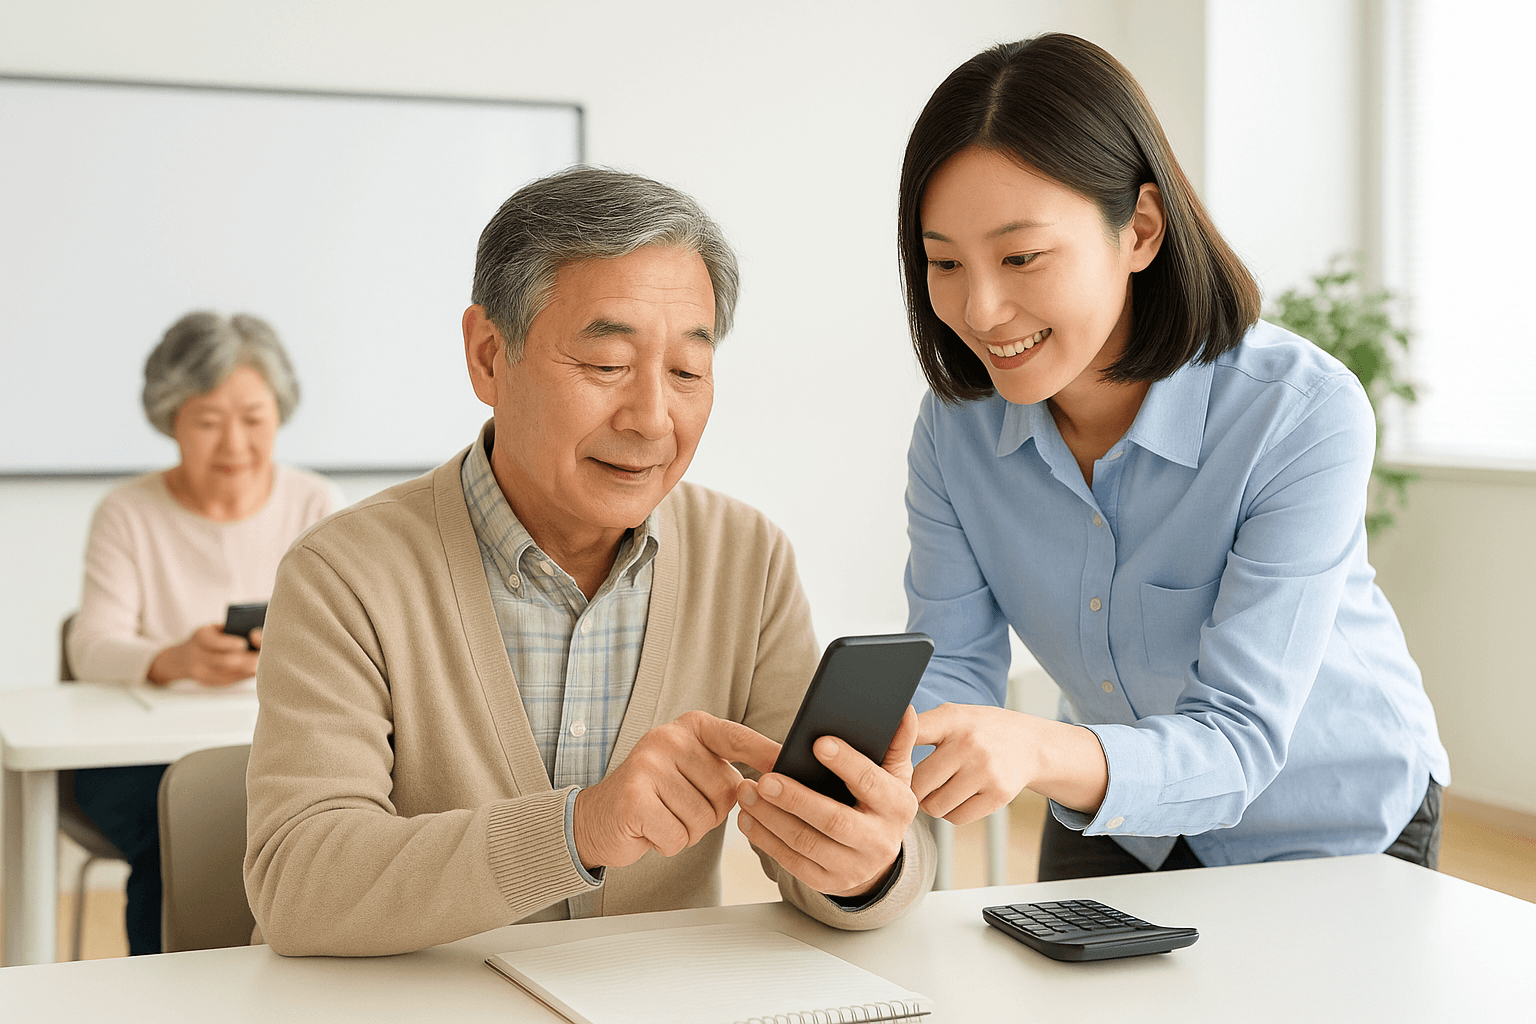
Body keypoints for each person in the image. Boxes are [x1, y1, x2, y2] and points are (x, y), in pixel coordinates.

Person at [244, 167, 934, 957]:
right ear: (487, 356)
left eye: (687, 373)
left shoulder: (746, 558)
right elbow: (299, 887)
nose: (651, 419)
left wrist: (865, 864)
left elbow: (825, 850)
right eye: (606, 367)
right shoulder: (344, 575)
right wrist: (581, 828)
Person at [898, 35, 1449, 881]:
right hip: (1119, 813)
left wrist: (1035, 749)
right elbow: (955, 668)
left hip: (1332, 821)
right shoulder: (954, 431)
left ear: (1141, 231)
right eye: (944, 263)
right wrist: (868, 774)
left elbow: (1239, 738)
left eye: (1021, 256)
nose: (979, 309)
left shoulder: (1298, 413)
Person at [67, 310, 339, 954]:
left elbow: (354, 635)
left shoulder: (314, 503)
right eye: (209, 423)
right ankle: (159, 996)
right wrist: (172, 658)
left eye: (253, 419)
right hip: (136, 756)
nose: (234, 445)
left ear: (280, 413)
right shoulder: (128, 512)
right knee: (181, 829)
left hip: (275, 741)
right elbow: (91, 647)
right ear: (171, 421)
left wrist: (300, 649)